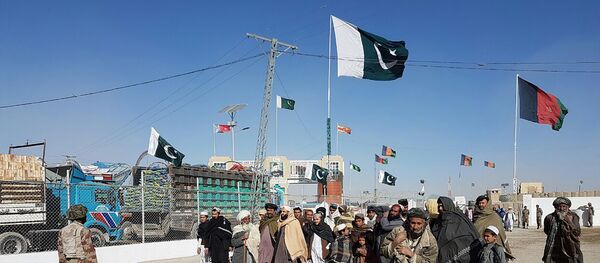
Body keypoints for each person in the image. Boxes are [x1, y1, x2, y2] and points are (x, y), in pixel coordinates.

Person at [431, 196, 480, 263]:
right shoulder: (438, 221)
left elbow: (466, 238)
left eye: (442, 206)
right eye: (439, 206)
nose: (440, 208)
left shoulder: (459, 219)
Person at [542, 197, 583, 263]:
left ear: (568, 207)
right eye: (559, 206)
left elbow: (577, 232)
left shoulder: (573, 217)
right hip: (554, 247)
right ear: (555, 207)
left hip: (569, 247)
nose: (561, 209)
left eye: (564, 206)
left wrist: (569, 222)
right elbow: (547, 231)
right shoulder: (549, 217)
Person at [473, 195, 513, 260]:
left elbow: (502, 233)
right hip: (480, 249)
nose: (481, 205)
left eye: (483, 203)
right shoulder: (476, 216)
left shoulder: (494, 216)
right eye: (479, 203)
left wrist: (507, 249)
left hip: (494, 250)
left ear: (487, 203)